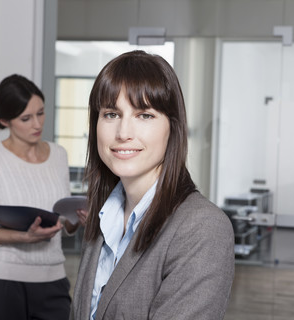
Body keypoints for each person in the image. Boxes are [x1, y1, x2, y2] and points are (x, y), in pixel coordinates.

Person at [70, 50, 235, 320]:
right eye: (111, 114)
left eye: (144, 115)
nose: (123, 133)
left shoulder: (203, 228)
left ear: (173, 128)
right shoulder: (104, 217)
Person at [0, 74, 85, 320]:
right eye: (26, 118)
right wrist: (25, 237)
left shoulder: (58, 154)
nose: (37, 124)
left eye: (40, 113)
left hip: (53, 281)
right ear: (4, 120)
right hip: (2, 284)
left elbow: (63, 224)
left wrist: (77, 219)